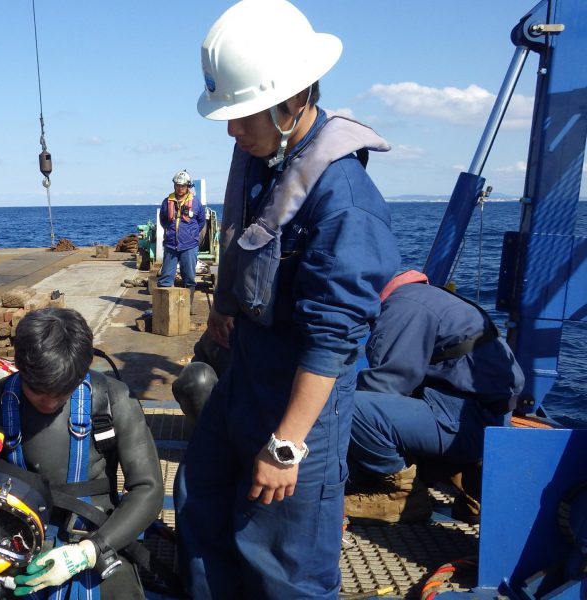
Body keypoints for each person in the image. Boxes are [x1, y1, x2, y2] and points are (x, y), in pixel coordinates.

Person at [173, 2, 401, 598]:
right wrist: (226, 304)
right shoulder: (264, 157)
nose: (231, 129)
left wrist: (286, 444)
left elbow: (333, 337)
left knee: (279, 556)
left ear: (291, 100)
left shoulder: (345, 200)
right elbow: (246, 239)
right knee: (201, 499)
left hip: (301, 397)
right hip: (247, 369)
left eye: (242, 114)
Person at [0, 307, 163, 599]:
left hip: (90, 536)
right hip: (7, 539)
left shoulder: (112, 401)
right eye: (38, 390)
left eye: (62, 392)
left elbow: (148, 488)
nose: (50, 401)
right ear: (20, 367)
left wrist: (90, 551)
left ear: (84, 368)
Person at [344, 270, 525, 524]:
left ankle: (401, 496)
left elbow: (383, 388)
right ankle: (470, 480)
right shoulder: (424, 297)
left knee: (348, 408)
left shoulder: (403, 308)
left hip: (466, 424)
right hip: (485, 420)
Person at [157, 170, 206, 314]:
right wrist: (171, 233)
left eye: (183, 186)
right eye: (178, 185)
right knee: (166, 277)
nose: (180, 188)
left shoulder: (196, 203)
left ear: (188, 186)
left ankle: (186, 309)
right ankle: (164, 310)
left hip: (189, 246)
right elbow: (163, 220)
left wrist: (191, 235)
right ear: (174, 186)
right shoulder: (167, 202)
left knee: (189, 277)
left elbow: (201, 222)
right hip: (171, 245)